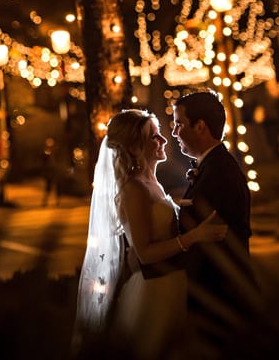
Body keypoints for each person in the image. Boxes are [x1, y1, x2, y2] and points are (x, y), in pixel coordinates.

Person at [73, 108, 228, 358]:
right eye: (154, 136)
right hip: (154, 291)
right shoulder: (133, 188)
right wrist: (194, 236)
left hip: (172, 285)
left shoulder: (151, 183)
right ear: (135, 147)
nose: (164, 140)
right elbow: (144, 253)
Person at [172, 89, 259, 346]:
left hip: (223, 291)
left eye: (179, 124)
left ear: (200, 127)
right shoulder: (213, 166)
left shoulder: (220, 172)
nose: (175, 133)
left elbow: (208, 232)